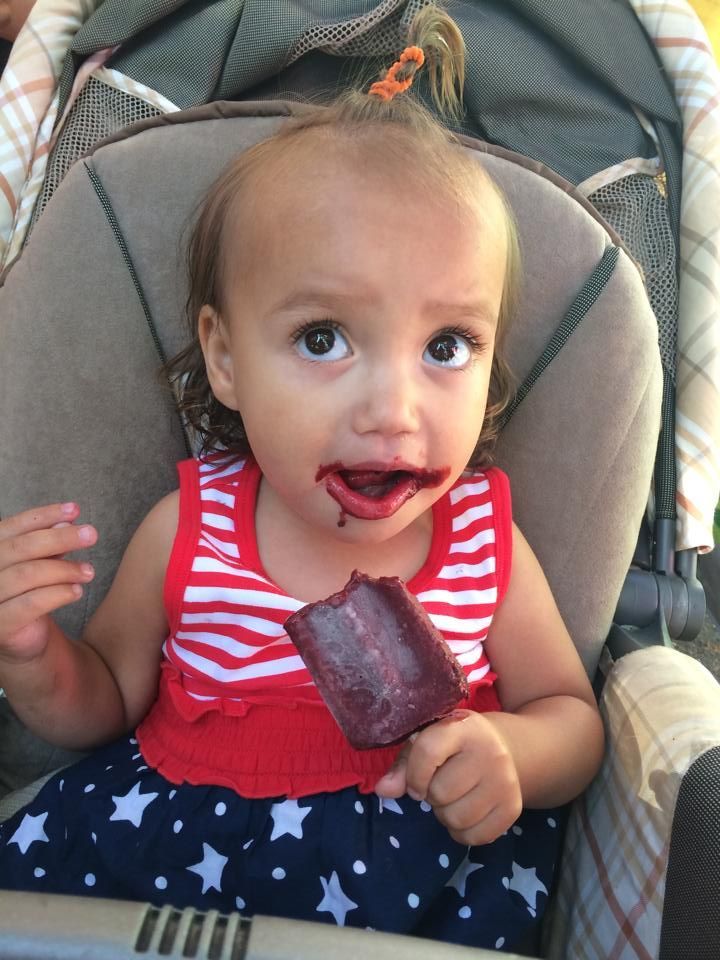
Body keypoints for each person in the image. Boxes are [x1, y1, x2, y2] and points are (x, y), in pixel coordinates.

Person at [0, 5, 604, 952]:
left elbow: (574, 718)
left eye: (448, 345)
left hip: (416, 881)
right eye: (323, 339)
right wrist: (32, 659)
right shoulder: (187, 527)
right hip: (163, 862)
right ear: (227, 358)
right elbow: (106, 700)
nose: (392, 410)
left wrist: (514, 754)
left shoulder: (483, 540)